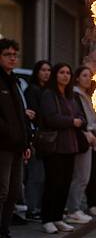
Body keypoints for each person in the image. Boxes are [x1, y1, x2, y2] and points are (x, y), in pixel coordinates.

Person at [40, 63, 85, 234]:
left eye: (68, 72)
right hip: (55, 146)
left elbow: (80, 115)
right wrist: (71, 121)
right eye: (61, 72)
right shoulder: (49, 94)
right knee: (53, 183)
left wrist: (77, 120)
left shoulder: (70, 95)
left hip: (70, 146)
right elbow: (51, 118)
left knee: (65, 183)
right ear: (55, 75)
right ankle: (47, 219)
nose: (65, 76)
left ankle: (58, 218)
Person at [0, 39, 30, 238]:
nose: (12, 58)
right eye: (7, 54)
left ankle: (5, 234)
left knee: (13, 192)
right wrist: (10, 135)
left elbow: (21, 114)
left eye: (15, 54)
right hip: (2, 145)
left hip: (18, 146)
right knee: (1, 191)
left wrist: (26, 141)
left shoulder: (15, 81)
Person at [66, 66, 96, 224]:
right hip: (82, 137)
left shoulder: (87, 95)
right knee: (80, 176)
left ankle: (77, 206)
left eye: (90, 76)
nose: (88, 78)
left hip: (89, 137)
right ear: (77, 78)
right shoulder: (75, 95)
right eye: (84, 75)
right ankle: (73, 210)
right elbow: (80, 117)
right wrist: (87, 132)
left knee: (85, 176)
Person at [23, 60, 51, 221]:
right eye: (43, 70)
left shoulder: (47, 90)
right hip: (36, 138)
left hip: (46, 139)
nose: (46, 73)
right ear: (37, 72)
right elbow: (34, 114)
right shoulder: (32, 90)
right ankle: (31, 209)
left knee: (42, 176)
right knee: (35, 176)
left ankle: (37, 208)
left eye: (48, 70)